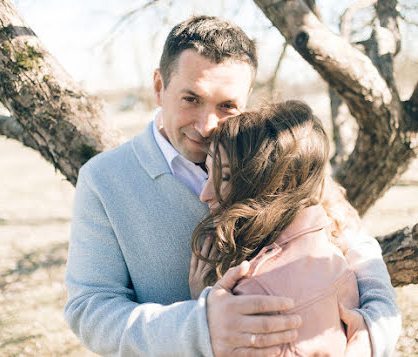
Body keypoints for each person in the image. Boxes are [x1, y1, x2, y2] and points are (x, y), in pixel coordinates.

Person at [64, 16, 401, 357]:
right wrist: (200, 328)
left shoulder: (273, 154)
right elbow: (90, 308)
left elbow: (354, 240)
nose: (207, 126)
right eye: (191, 99)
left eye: (227, 106)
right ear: (158, 87)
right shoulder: (103, 179)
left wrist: (375, 330)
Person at [189, 101, 365, 356]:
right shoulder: (331, 243)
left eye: (225, 177)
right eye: (208, 173)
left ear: (271, 183)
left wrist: (202, 312)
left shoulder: (254, 297)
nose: (204, 195)